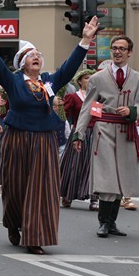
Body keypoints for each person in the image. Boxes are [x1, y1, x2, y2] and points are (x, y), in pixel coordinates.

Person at [0, 17, 99, 254]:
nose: (36, 57)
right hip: (17, 139)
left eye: (38, 54)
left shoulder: (49, 81)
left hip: (44, 140)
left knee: (42, 189)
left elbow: (69, 68)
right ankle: (14, 223)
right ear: (22, 63)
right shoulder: (13, 81)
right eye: (30, 55)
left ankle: (34, 236)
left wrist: (85, 39)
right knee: (15, 187)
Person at [73, 35, 139, 239]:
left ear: (129, 52)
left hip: (126, 133)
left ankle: (112, 222)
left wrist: (133, 111)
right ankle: (104, 223)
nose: (117, 52)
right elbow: (87, 107)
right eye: (114, 48)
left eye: (122, 49)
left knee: (121, 179)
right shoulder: (98, 78)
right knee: (107, 178)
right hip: (104, 130)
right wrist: (79, 135)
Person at [58, 69, 98, 210]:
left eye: (91, 78)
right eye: (87, 78)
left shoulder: (97, 97)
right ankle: (67, 194)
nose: (89, 80)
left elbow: (98, 115)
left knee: (92, 166)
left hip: (94, 132)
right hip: (78, 133)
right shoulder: (73, 97)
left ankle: (94, 199)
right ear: (80, 81)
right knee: (73, 165)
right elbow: (64, 116)